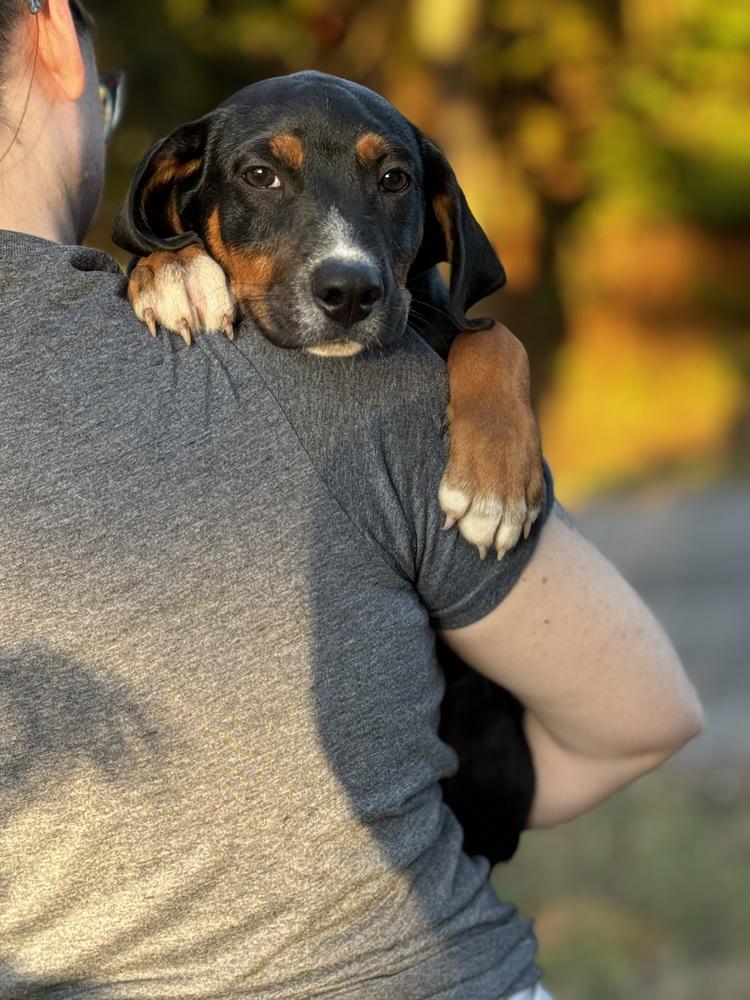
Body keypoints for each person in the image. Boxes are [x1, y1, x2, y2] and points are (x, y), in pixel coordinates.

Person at [0, 2, 703, 999]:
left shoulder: (416, 373)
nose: (346, 259)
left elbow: (468, 317)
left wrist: (493, 368)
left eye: (387, 186)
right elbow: (645, 716)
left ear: (433, 222)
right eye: (261, 177)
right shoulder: (366, 399)